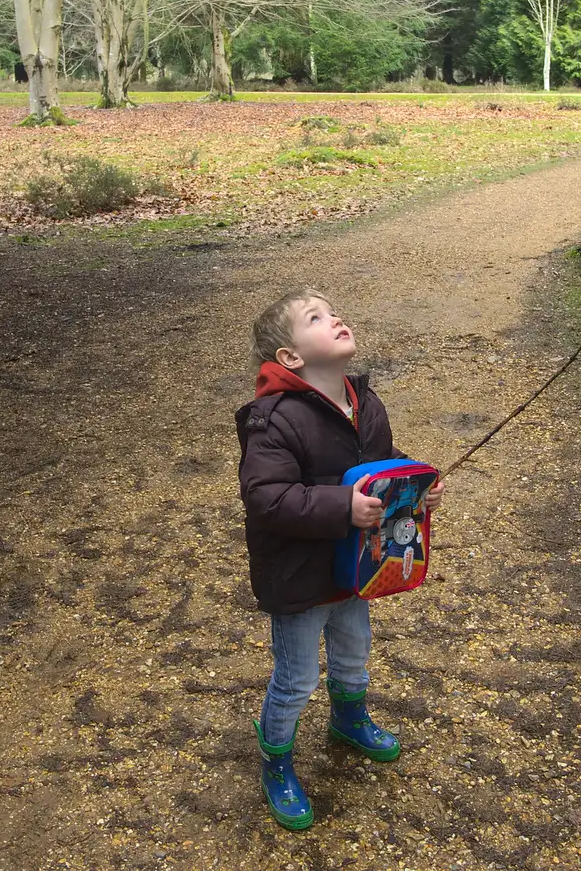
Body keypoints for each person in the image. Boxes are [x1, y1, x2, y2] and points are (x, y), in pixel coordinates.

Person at [234, 288, 445, 831]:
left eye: (333, 311)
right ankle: (277, 762)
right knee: (297, 678)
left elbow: (379, 464)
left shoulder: (365, 402)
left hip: (357, 566)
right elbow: (267, 498)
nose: (336, 318)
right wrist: (342, 506)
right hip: (300, 576)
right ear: (290, 357)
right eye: (316, 317)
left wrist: (413, 483)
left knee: (354, 653)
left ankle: (349, 719)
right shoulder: (271, 419)